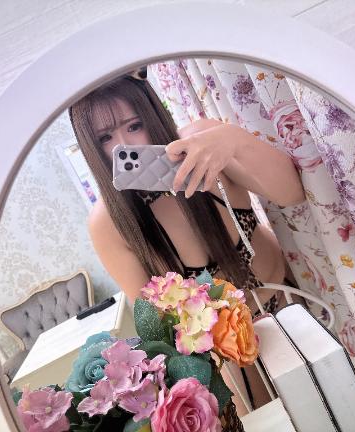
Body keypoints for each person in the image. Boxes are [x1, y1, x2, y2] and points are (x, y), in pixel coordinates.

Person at [68, 71, 305, 412]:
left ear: (152, 114)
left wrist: (232, 139)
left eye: (134, 125)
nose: (125, 145)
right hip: (233, 362)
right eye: (105, 137)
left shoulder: (205, 143)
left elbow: (293, 193)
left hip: (294, 305)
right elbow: (156, 328)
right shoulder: (109, 222)